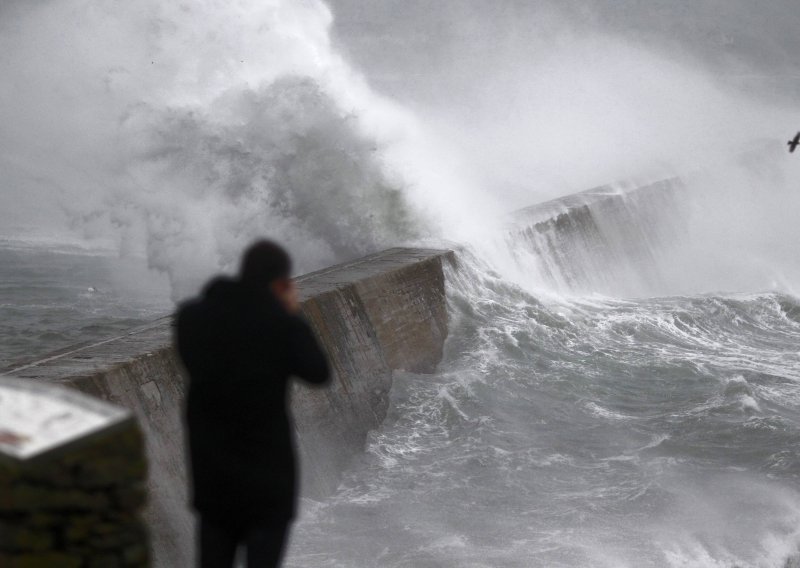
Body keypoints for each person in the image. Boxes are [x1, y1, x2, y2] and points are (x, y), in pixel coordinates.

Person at [175, 240, 330, 567]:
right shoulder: (281, 326)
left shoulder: (193, 319)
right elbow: (318, 372)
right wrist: (290, 313)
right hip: (268, 486)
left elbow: (194, 352)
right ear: (281, 283)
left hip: (214, 483)